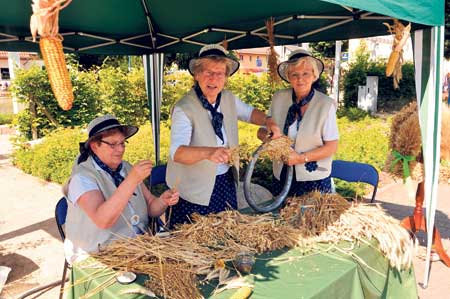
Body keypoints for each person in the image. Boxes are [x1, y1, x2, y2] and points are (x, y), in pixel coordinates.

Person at [166, 44, 281, 226]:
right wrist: (208, 153)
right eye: (208, 72)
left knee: (225, 235)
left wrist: (269, 121)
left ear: (226, 77)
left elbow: (250, 113)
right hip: (193, 189)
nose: (214, 78)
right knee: (196, 241)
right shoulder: (184, 108)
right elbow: (177, 153)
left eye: (220, 73)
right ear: (196, 74)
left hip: (224, 181)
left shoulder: (227, 98)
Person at [63, 115, 179, 264]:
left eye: (123, 143)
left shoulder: (125, 168)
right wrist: (132, 180)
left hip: (138, 248)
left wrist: (163, 200)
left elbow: (151, 206)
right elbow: (103, 220)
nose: (120, 149)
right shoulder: (82, 178)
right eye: (112, 144)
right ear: (94, 146)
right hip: (100, 256)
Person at [258, 49, 339, 196]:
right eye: (294, 74)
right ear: (288, 77)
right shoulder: (278, 98)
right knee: (281, 216)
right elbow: (261, 132)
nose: (300, 79)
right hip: (281, 173)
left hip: (313, 178)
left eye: (305, 73)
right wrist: (274, 141)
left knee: (309, 218)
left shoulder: (325, 104)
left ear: (314, 75)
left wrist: (301, 158)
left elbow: (331, 146)